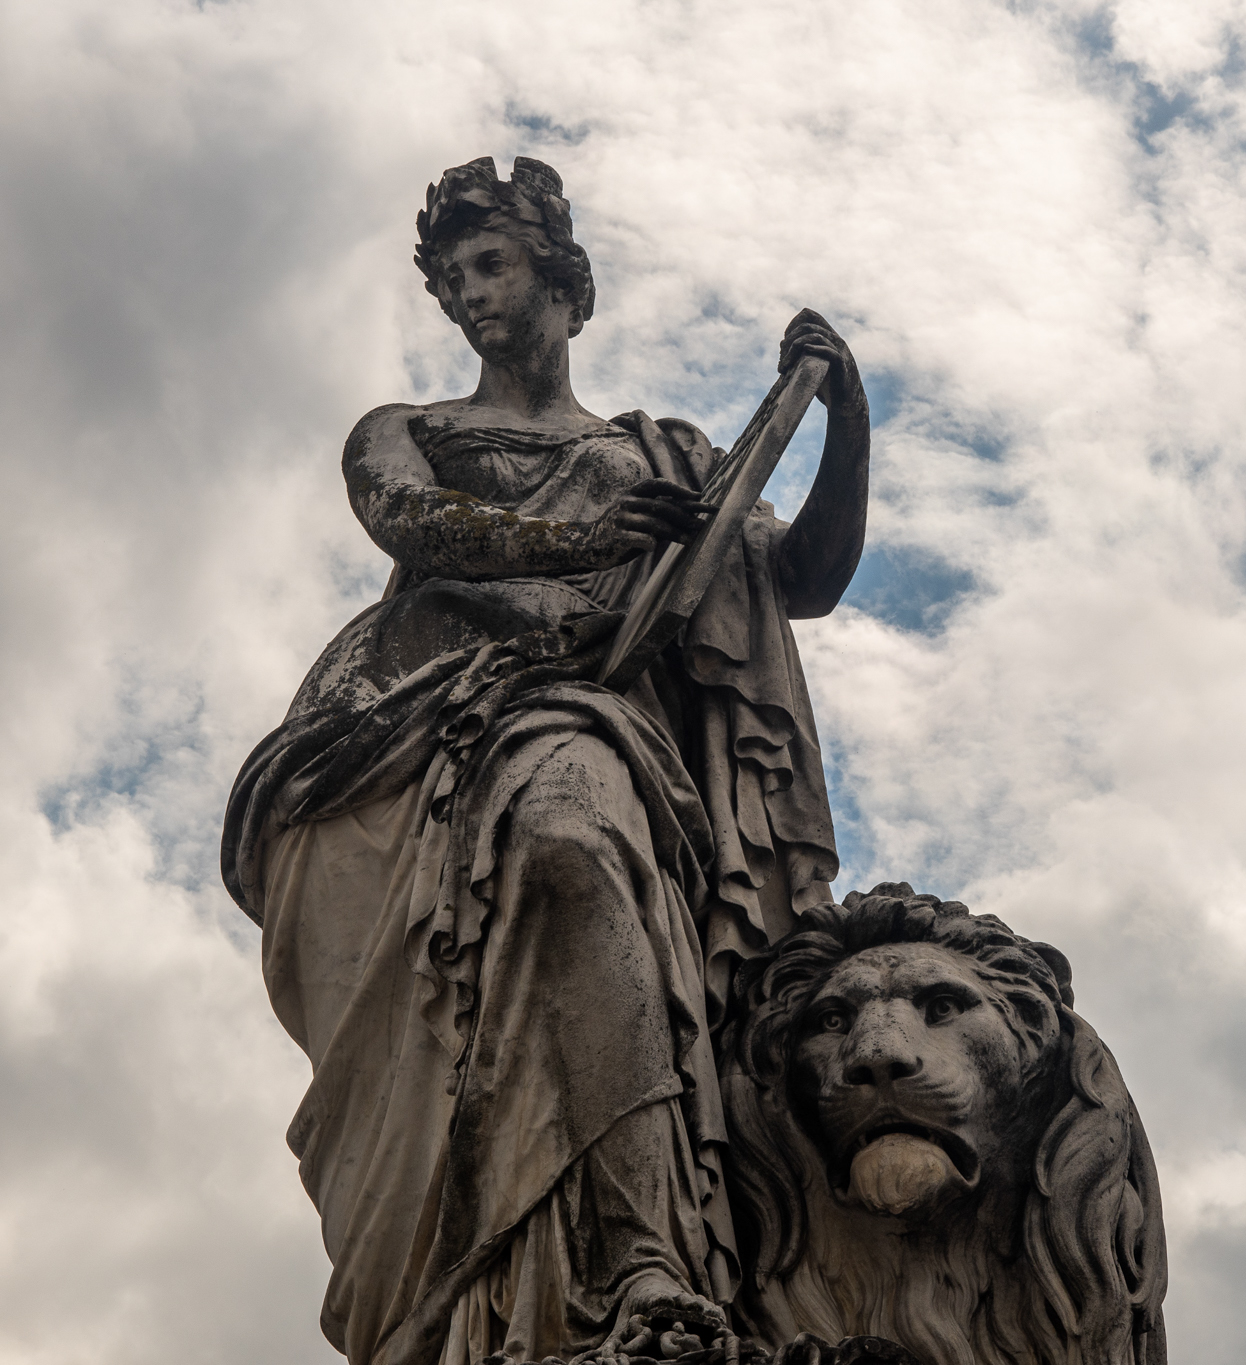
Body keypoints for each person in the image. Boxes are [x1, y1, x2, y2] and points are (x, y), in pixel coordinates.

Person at [221, 155, 870, 1365]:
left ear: (563, 282)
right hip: (393, 732)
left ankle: (642, 1263)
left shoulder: (662, 457)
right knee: (425, 1049)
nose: (470, 294)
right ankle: (471, 1285)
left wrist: (847, 426)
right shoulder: (407, 429)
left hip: (573, 713)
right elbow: (406, 520)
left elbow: (803, 580)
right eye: (453, 276)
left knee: (573, 844)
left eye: (493, 265)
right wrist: (576, 538)